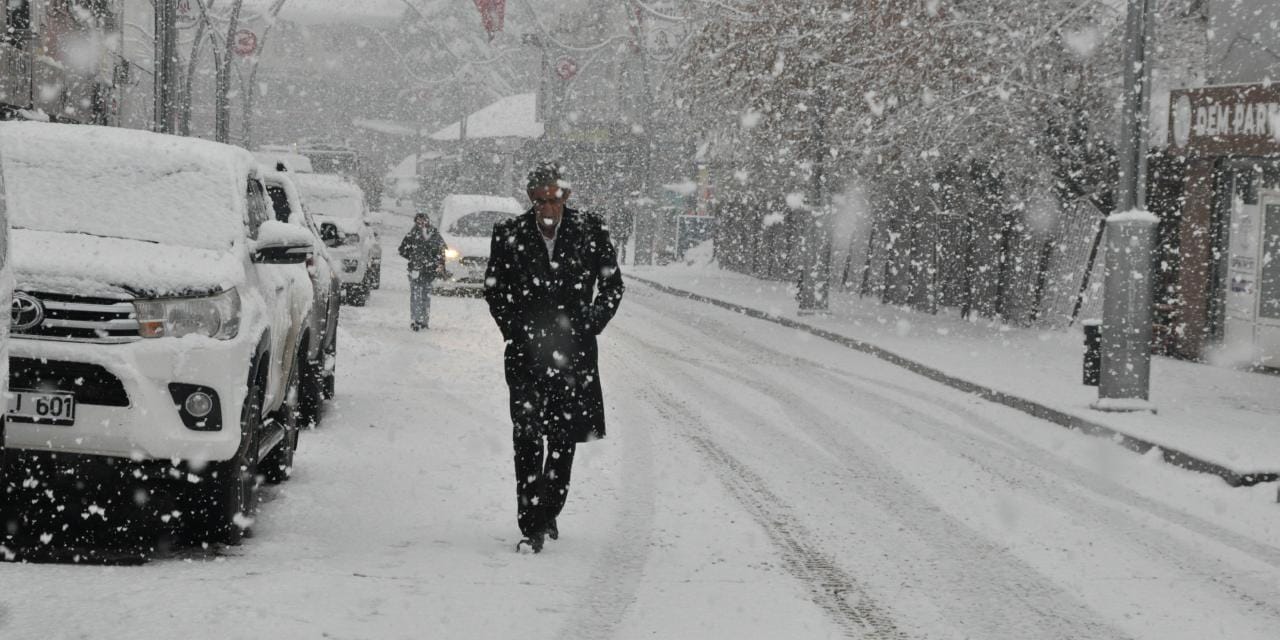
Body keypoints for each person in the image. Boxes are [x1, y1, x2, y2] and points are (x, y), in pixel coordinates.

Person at [483, 162, 625, 553]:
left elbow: (612, 285)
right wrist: (516, 330)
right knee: (527, 438)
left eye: (556, 199)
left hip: (573, 358)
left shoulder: (591, 231)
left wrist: (590, 324)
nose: (548, 208)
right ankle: (532, 525)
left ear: (567, 197)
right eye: (541, 200)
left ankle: (549, 510)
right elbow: (494, 290)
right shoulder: (509, 234)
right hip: (526, 356)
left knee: (563, 439)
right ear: (530, 198)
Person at [398, 212, 447, 331]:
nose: (421, 223)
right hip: (417, 270)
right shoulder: (413, 234)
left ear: (427, 220)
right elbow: (402, 249)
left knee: (424, 295)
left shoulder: (433, 234)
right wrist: (414, 258)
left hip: (427, 271)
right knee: (417, 295)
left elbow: (442, 251)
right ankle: (416, 320)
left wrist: (438, 264)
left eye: (423, 220)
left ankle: (423, 321)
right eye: (418, 221)